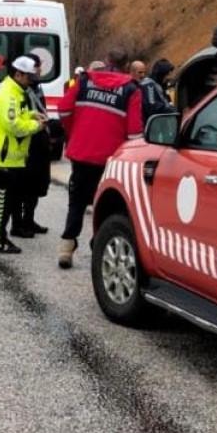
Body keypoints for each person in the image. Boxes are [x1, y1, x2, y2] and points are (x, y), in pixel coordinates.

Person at [57, 47, 143, 269]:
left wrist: (74, 131)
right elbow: (135, 132)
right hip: (111, 158)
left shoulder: (85, 81)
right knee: (105, 202)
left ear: (106, 60)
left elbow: (63, 109)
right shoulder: (131, 90)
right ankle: (99, 243)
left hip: (81, 151)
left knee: (77, 200)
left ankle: (67, 244)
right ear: (127, 65)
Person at [0, 55, 46, 254]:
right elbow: (13, 125)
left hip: (9, 157)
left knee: (3, 200)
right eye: (29, 77)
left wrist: (31, 115)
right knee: (3, 202)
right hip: (3, 158)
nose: (31, 82)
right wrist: (36, 126)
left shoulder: (16, 92)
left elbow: (18, 115)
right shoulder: (9, 95)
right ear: (18, 74)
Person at [12, 54, 51, 238]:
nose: (40, 70)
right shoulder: (21, 90)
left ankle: (29, 218)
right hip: (28, 142)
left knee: (36, 185)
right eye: (37, 67)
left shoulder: (36, 86)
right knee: (23, 186)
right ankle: (18, 223)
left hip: (39, 140)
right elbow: (20, 118)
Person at [140, 58, 176, 126]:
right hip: (153, 124)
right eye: (167, 75)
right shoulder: (149, 85)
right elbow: (152, 106)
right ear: (161, 74)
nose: (168, 78)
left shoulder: (159, 84)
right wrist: (171, 110)